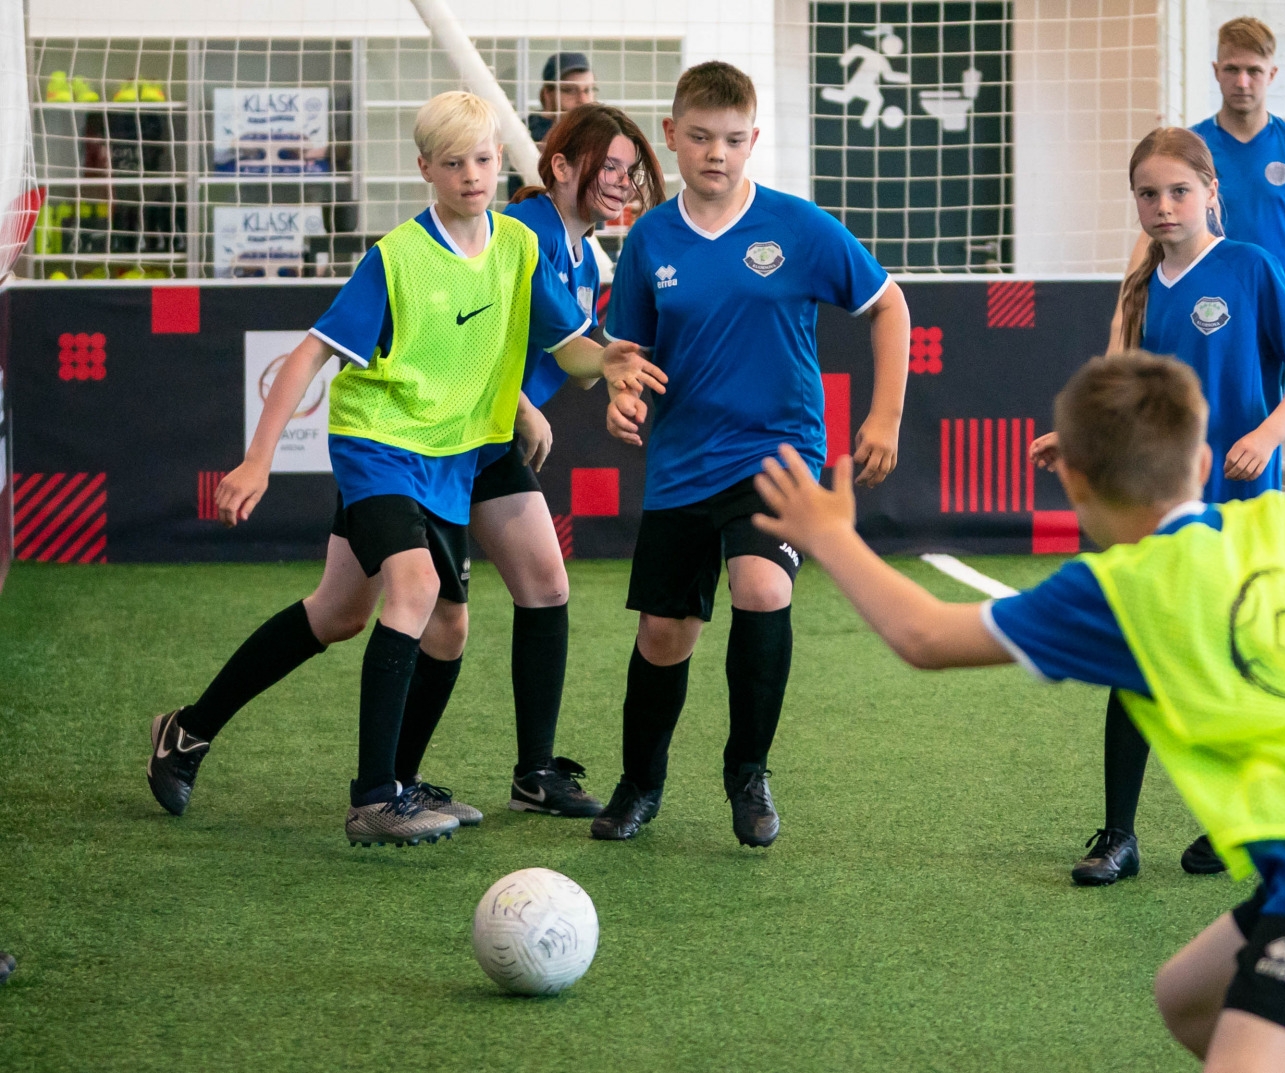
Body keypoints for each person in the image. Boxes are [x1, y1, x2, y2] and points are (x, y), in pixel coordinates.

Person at [752, 351, 1285, 1072]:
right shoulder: (1282, 521)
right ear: (1201, 463)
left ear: (1071, 481)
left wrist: (830, 537)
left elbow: (923, 635)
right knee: (1188, 998)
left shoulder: (1119, 589)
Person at [146, 91, 664, 847]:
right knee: (419, 591)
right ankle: (373, 798)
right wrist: (258, 458)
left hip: (448, 460)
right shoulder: (398, 257)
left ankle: (189, 732)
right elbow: (310, 353)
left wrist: (611, 359)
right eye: (453, 163)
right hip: (378, 445)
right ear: (425, 169)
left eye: (483, 159)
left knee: (364, 615)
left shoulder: (518, 250)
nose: (472, 174)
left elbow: (568, 345)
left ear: (499, 163)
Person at [590, 61, 911, 847]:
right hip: (681, 463)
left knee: (762, 589)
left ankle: (748, 775)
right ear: (671, 136)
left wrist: (885, 416)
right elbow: (627, 352)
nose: (716, 154)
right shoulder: (648, 241)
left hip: (780, 454)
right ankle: (640, 783)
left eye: (734, 140)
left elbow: (888, 303)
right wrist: (621, 398)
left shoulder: (800, 227)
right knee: (666, 634)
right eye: (700, 137)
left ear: (754, 140)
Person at [1032, 126, 1285, 885]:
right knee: (1134, 656)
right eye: (1147, 193)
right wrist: (1077, 441)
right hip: (1155, 505)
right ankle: (1119, 836)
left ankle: (1240, 818)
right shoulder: (1139, 288)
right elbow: (1126, 394)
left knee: (1236, 659)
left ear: (1210, 193)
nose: (1163, 206)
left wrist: (1266, 432)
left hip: (1239, 501)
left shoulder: (1252, 267)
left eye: (1177, 190)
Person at [487, 103, 668, 816]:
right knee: (357, 611)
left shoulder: (583, 252)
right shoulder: (526, 231)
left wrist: (622, 374)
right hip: (430, 437)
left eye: (631, 170)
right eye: (609, 167)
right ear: (560, 167)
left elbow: (587, 363)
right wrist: (519, 402)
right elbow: (570, 353)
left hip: (484, 440)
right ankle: (383, 788)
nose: (622, 183)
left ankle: (533, 773)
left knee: (544, 588)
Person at [1114, 17, 1285, 348]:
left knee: (1265, 399)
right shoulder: (1189, 147)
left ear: (1271, 74)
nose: (1242, 82)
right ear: (1216, 70)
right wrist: (1123, 320)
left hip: (1268, 310)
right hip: (1197, 306)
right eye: (1232, 69)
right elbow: (1154, 233)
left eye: (1254, 71)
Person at [508, 52, 598, 198]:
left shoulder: (598, 130)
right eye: (570, 90)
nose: (583, 99)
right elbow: (535, 171)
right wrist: (563, 123)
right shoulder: (528, 128)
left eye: (588, 90)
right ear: (548, 93)